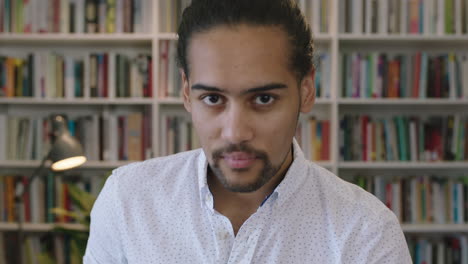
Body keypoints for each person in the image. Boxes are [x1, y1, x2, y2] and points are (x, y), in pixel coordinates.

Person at [84, 0, 412, 263]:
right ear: (186, 93)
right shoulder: (127, 200)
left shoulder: (367, 230)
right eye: (212, 98)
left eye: (263, 99)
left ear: (307, 89)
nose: (235, 132)